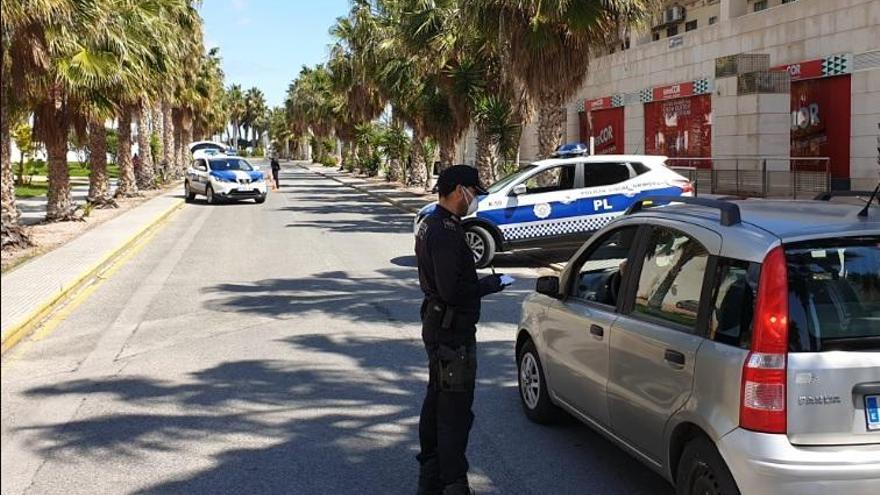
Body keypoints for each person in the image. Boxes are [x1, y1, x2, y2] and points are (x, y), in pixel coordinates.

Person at [414, 165, 507, 495]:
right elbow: (452, 290)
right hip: (451, 333)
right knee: (453, 409)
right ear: (458, 191)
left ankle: (432, 473)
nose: (474, 199)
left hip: (440, 326)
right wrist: (488, 286)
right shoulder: (445, 231)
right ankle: (451, 480)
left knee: (438, 399)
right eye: (473, 193)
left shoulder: (433, 224)